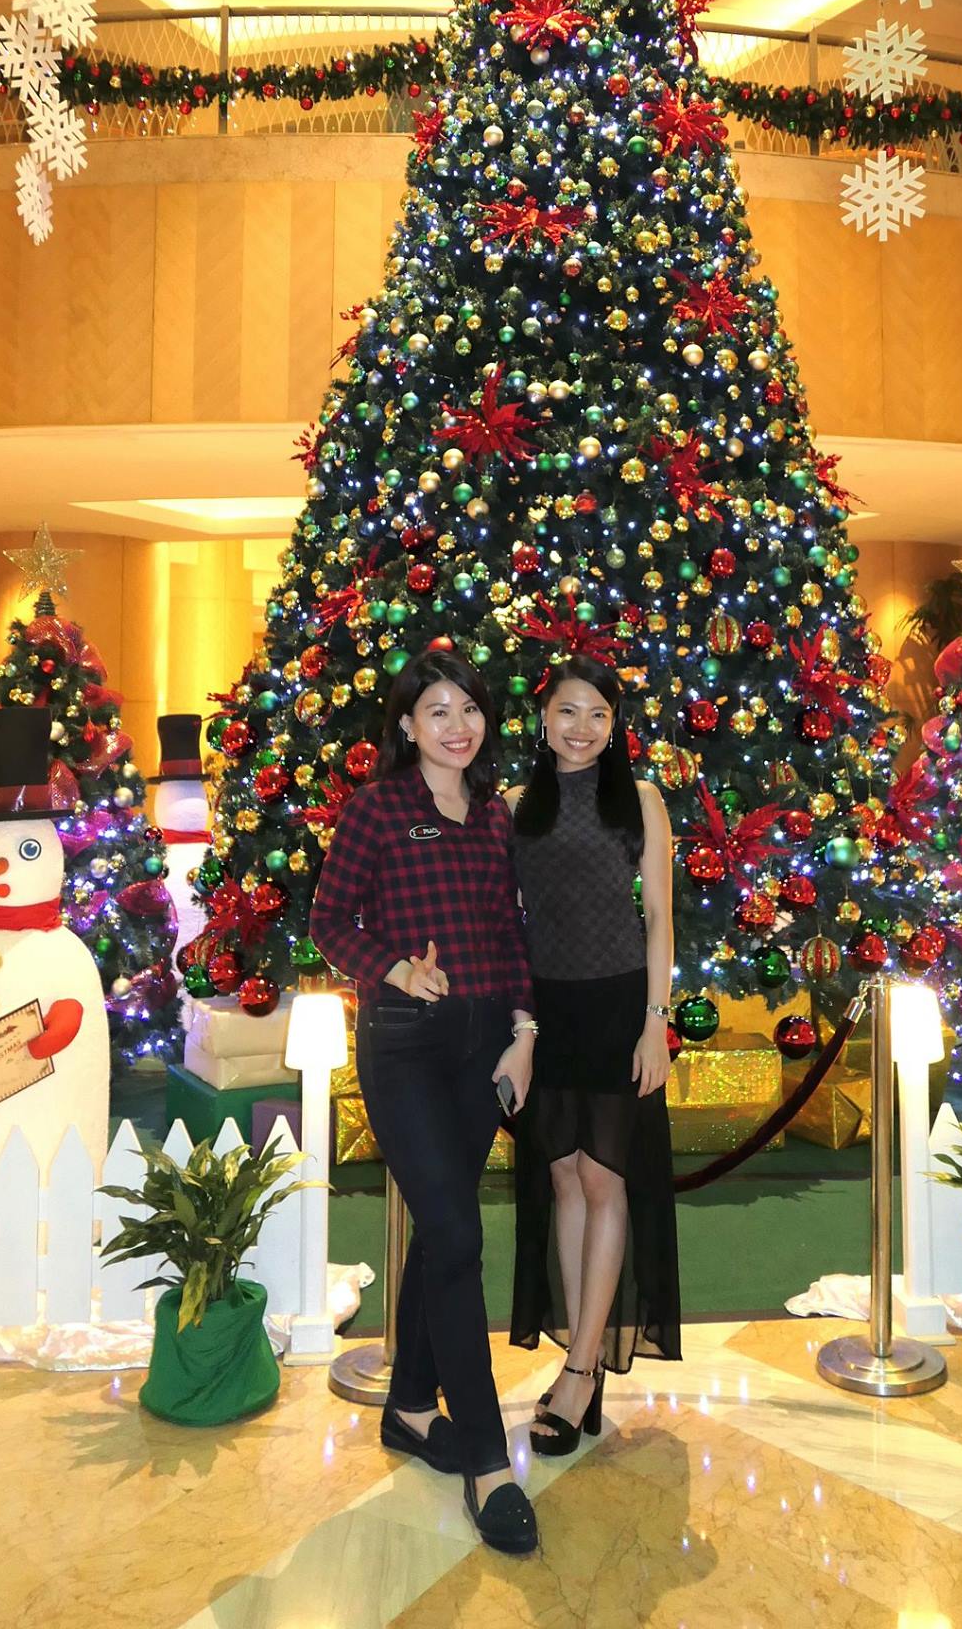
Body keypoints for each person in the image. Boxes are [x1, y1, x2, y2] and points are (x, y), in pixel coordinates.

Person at [308, 648, 538, 1556]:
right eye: (437, 710)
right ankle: (485, 1458)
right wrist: (396, 968)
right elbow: (328, 921)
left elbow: (508, 931)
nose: (456, 726)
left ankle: (409, 1408)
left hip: (484, 1047)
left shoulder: (492, 814)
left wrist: (523, 1033)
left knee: (443, 1236)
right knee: (457, 1234)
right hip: (404, 1045)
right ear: (406, 724)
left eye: (468, 709)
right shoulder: (376, 809)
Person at [508, 657, 682, 1456]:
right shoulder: (514, 805)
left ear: (615, 728)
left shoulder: (639, 800)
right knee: (563, 1178)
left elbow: (660, 920)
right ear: (543, 718)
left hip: (618, 1007)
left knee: (605, 1179)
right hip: (546, 1011)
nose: (581, 728)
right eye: (568, 712)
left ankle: (580, 1368)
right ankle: (580, 1353)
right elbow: (506, 920)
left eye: (598, 715)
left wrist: (655, 1022)